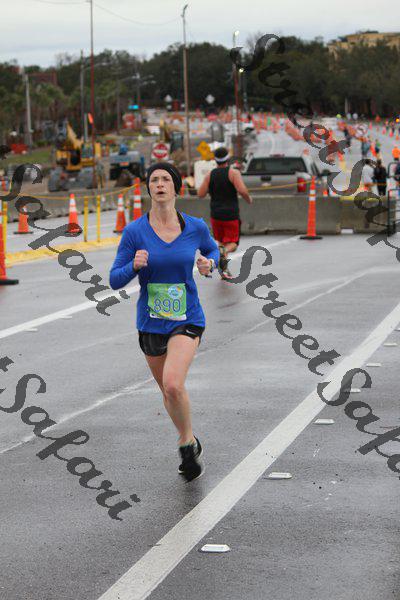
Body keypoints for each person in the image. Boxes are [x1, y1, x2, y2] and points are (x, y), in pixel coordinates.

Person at [109, 162, 220, 483]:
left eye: (165, 180)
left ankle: (186, 446)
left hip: (187, 318)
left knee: (173, 383)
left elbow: (213, 250)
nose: (159, 184)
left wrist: (209, 263)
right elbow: (114, 279)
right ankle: (191, 437)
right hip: (150, 323)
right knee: (169, 393)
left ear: (175, 188)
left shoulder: (195, 227)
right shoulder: (134, 232)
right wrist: (133, 266)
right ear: (148, 188)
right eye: (154, 180)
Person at [197, 146, 253, 280]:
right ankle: (224, 252)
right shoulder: (233, 173)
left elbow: (200, 194)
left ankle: (224, 271)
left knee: (221, 241)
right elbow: (242, 190)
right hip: (230, 214)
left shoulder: (210, 175)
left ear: (215, 160)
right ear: (228, 159)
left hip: (216, 214)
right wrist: (249, 199)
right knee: (233, 243)